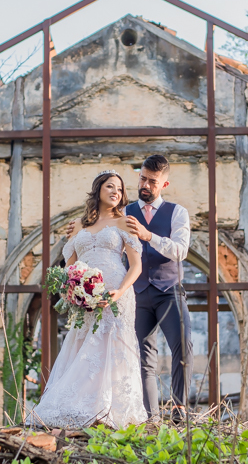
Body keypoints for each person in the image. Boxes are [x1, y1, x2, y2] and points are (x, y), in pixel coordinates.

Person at [30, 170, 147, 429]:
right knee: (84, 345)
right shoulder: (78, 227)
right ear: (98, 190)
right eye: (110, 186)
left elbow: (136, 266)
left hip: (115, 292)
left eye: (119, 189)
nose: (116, 192)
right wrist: (69, 291)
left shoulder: (124, 223)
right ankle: (82, 407)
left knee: (111, 344)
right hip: (85, 296)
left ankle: (110, 410)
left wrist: (121, 292)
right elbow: (67, 267)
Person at [123, 154, 193, 423]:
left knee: (183, 347)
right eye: (142, 178)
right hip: (137, 294)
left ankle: (179, 412)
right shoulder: (125, 212)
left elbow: (180, 251)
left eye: (152, 181)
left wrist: (148, 236)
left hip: (169, 291)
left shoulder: (178, 212)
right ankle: (150, 419)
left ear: (164, 184)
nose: (146, 185)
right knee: (142, 360)